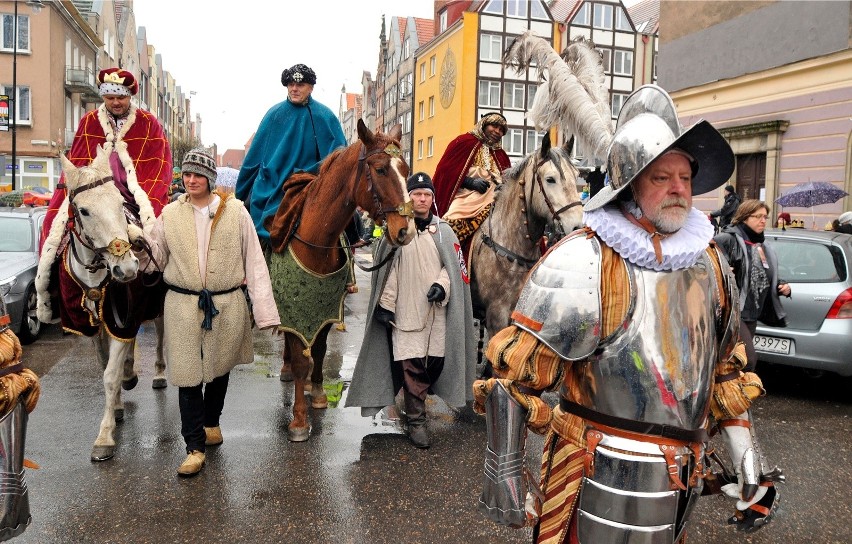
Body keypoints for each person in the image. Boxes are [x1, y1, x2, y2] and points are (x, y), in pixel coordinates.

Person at [473, 85, 782, 542]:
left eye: (685, 177)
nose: (678, 189)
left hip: (680, 478)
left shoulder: (711, 264)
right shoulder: (586, 259)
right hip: (595, 471)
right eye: (661, 177)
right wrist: (505, 471)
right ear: (630, 186)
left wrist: (746, 453)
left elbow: (722, 373)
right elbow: (514, 380)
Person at [138, 148, 280, 476]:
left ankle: (212, 421)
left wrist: (265, 311)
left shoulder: (236, 213)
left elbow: (255, 263)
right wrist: (139, 247)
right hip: (183, 305)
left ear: (210, 179)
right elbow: (154, 261)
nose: (191, 180)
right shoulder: (170, 214)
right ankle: (194, 446)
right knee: (187, 376)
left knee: (218, 369)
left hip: (226, 303)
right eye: (187, 174)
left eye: (198, 175)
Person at [346, 172, 476, 449]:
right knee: (412, 366)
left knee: (434, 364)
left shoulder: (445, 231)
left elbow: (454, 269)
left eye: (427, 194)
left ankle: (418, 406)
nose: (422, 198)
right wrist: (386, 304)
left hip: (437, 313)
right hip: (405, 313)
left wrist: (443, 286)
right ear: (409, 197)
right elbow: (389, 270)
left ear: (432, 198)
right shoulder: (398, 230)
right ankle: (416, 421)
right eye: (417, 194)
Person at [42, 67, 172, 248]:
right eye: (110, 98)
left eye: (121, 97)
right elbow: (78, 162)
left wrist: (146, 206)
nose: (116, 102)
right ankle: (51, 273)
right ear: (103, 97)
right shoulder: (89, 121)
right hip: (94, 195)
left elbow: (160, 169)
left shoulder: (149, 123)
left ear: (130, 96)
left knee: (160, 237)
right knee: (51, 224)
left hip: (132, 199)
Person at [236, 64, 347, 244]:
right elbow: (252, 160)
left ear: (311, 87)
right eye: (290, 85)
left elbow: (341, 159)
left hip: (311, 187)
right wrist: (239, 196)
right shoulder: (273, 115)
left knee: (344, 229)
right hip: (273, 188)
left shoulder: (325, 116)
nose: (294, 89)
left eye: (300, 85)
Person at [715, 200, 792, 373]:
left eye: (765, 216)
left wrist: (781, 285)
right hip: (733, 311)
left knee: (736, 359)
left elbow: (763, 274)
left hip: (752, 312)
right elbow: (707, 266)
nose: (763, 220)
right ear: (744, 218)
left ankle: (732, 394)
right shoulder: (727, 239)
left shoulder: (761, 245)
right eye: (758, 216)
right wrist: (723, 271)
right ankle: (736, 394)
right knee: (748, 360)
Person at [431, 112, 512, 254]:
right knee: (451, 222)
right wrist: (469, 182)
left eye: (501, 130)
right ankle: (446, 257)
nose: (497, 132)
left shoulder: (501, 154)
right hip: (466, 196)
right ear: (484, 124)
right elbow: (445, 171)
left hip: (496, 197)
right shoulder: (464, 142)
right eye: (494, 126)